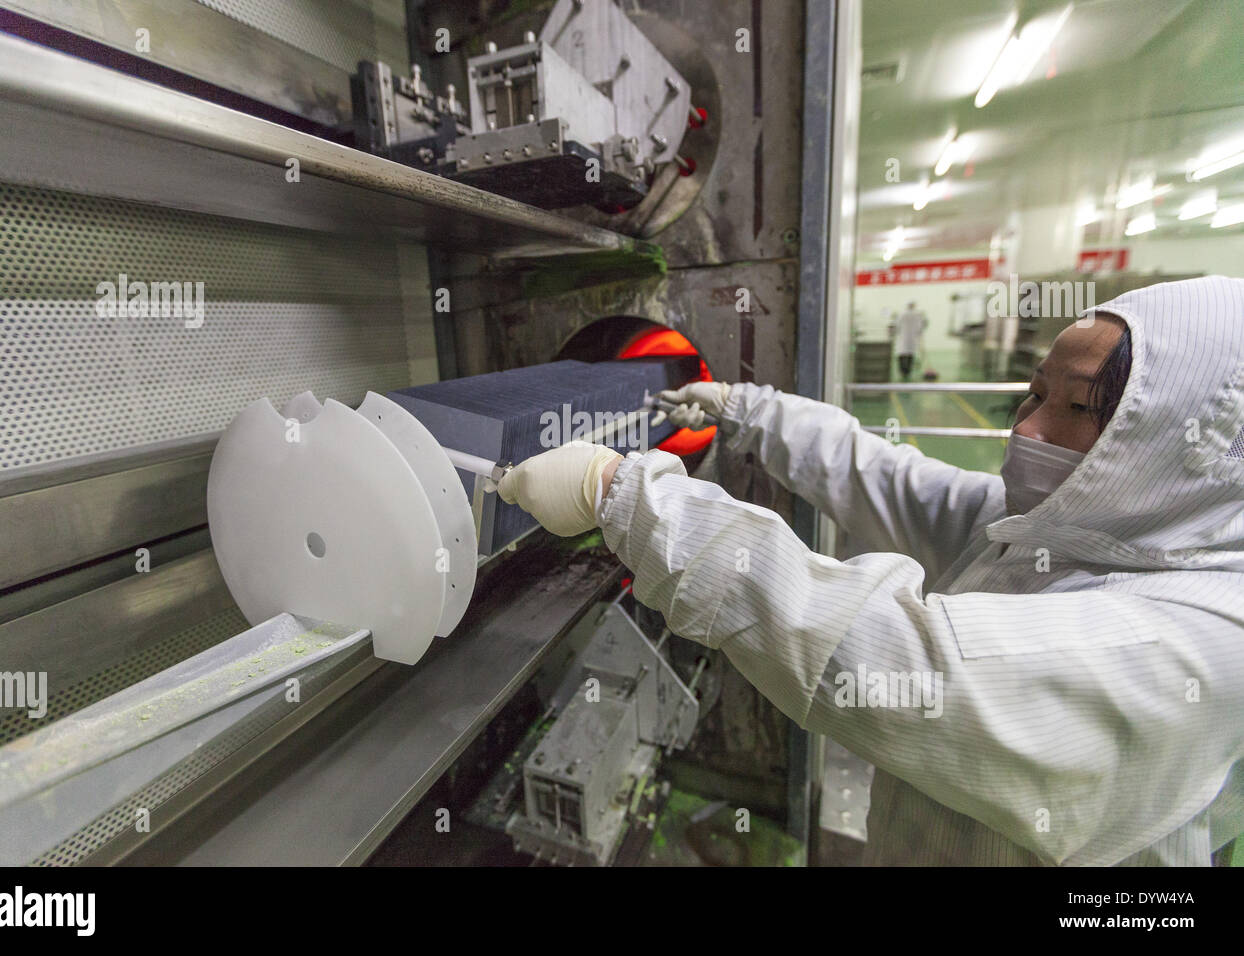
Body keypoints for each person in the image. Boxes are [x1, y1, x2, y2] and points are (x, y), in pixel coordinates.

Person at [498, 275, 1244, 866]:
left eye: (1075, 407)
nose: (1025, 428)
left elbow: (908, 657)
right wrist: (745, 407)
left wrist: (622, 495)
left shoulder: (1205, 642)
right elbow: (888, 478)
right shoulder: (1082, 531)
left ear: (1178, 450)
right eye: (1034, 392)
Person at [891, 300, 928, 381]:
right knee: (910, 355)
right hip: (912, 339)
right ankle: (907, 371)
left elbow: (896, 325)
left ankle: (902, 371)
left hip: (902, 338)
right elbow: (921, 326)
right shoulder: (918, 315)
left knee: (901, 354)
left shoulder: (901, 314)